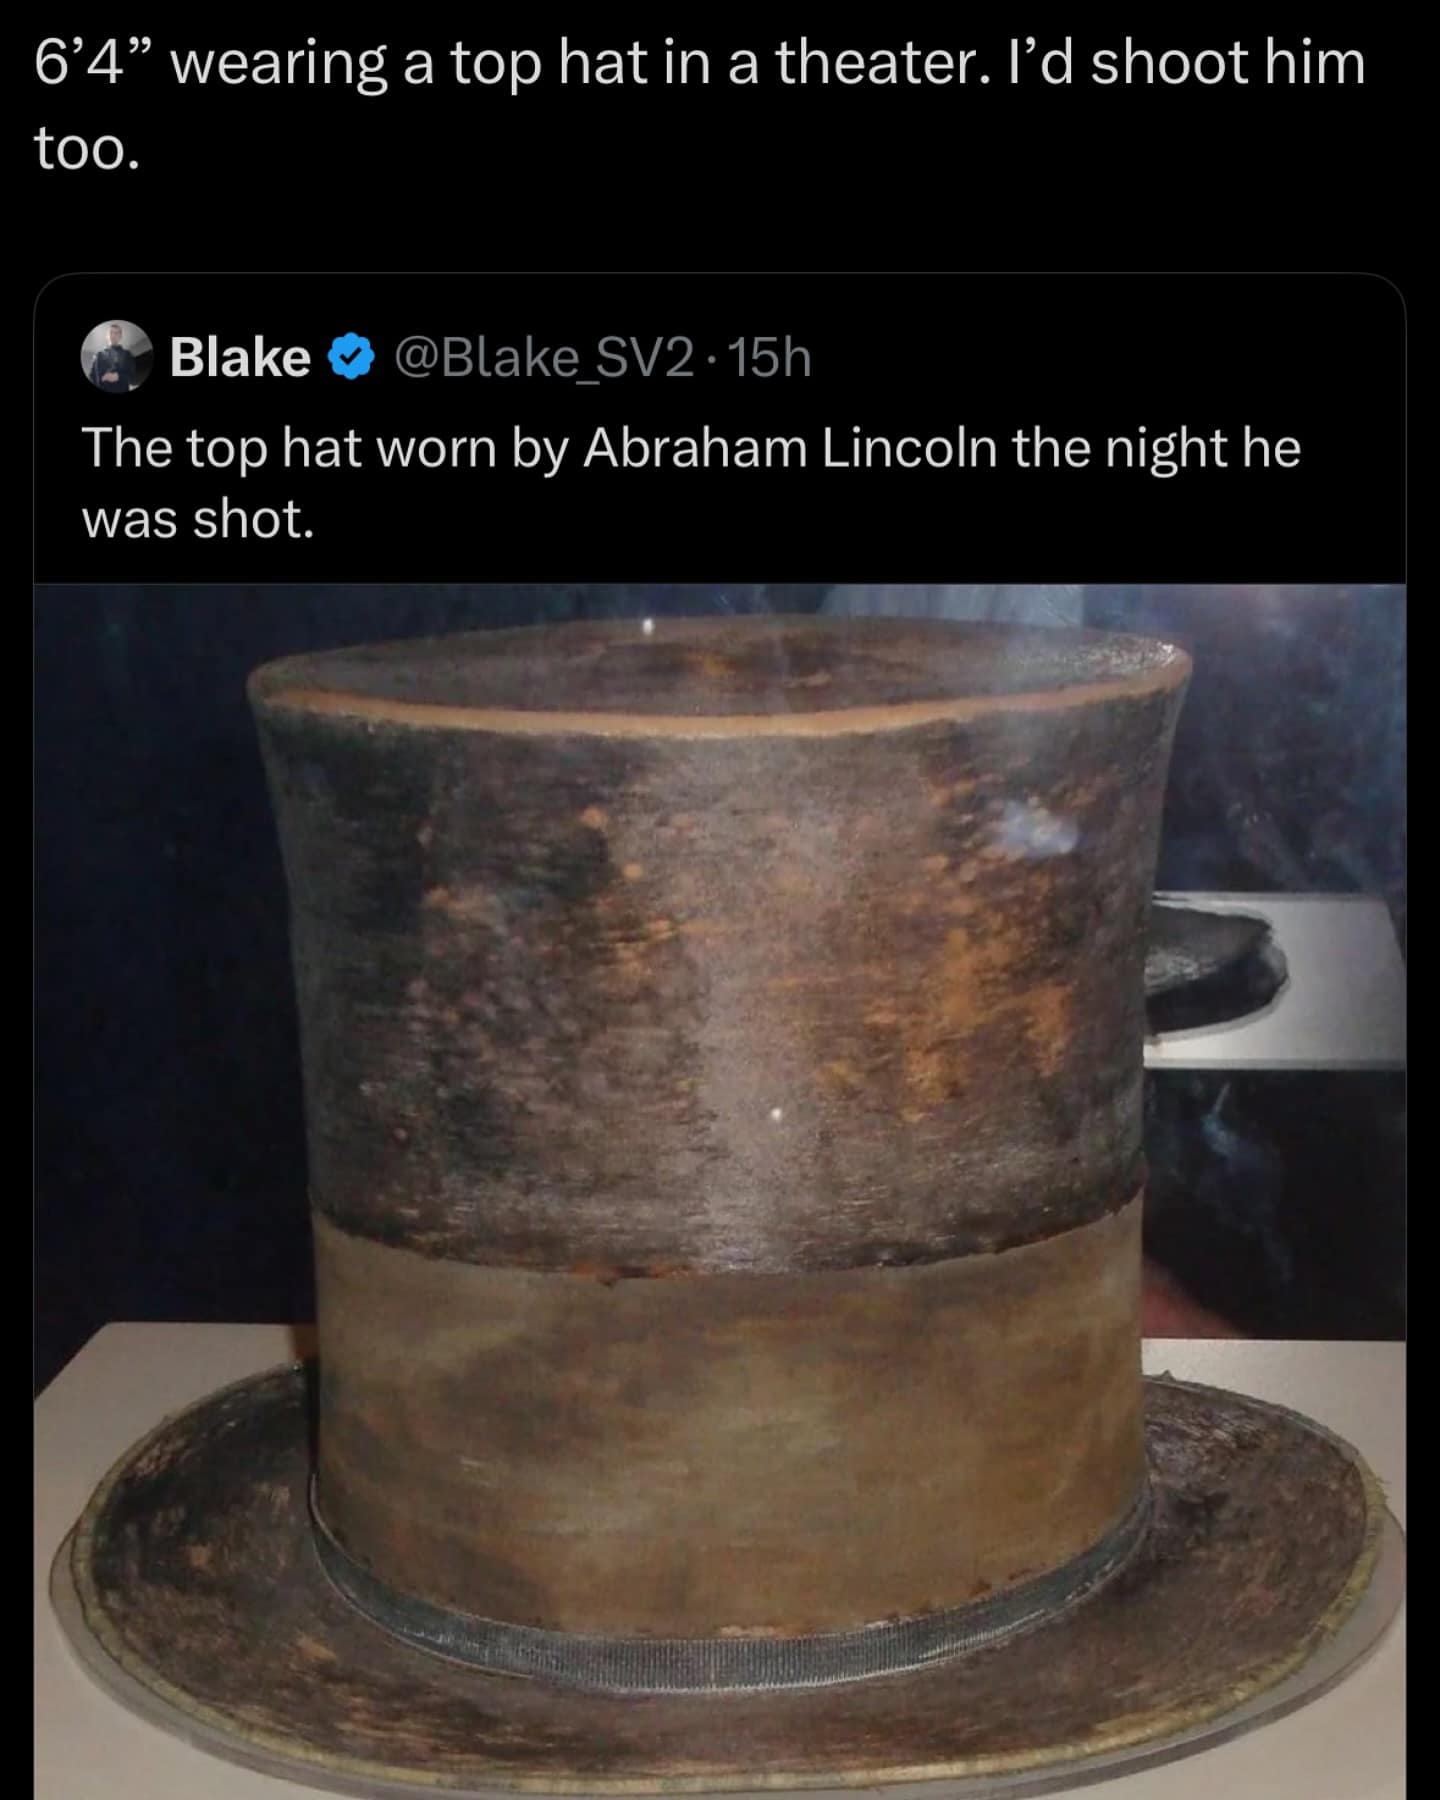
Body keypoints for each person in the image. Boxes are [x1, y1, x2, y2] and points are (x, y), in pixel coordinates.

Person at [89, 324, 139, 393]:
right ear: (107, 336)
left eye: (116, 333)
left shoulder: (128, 355)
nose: (113, 335)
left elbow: (134, 378)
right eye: (110, 332)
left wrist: (118, 376)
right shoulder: (98, 355)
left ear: (120, 336)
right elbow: (92, 377)